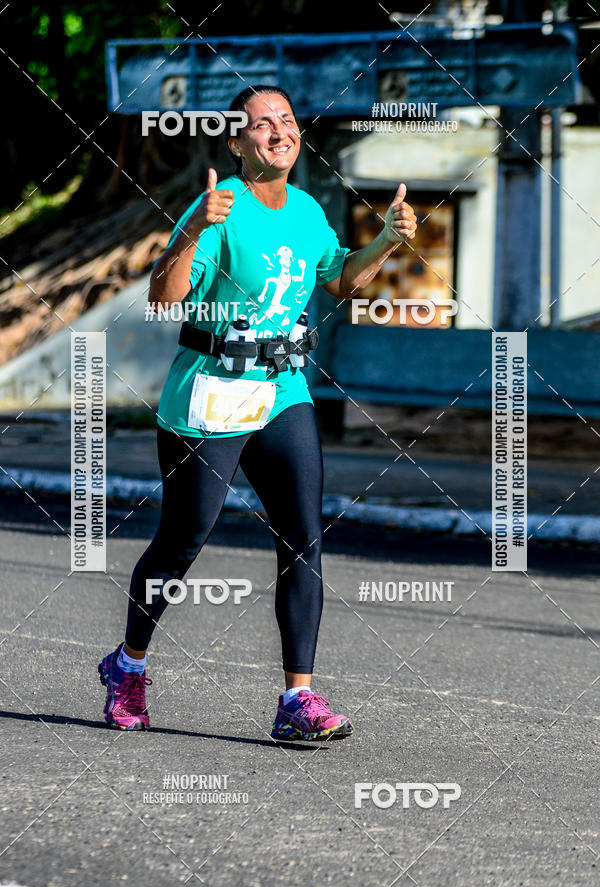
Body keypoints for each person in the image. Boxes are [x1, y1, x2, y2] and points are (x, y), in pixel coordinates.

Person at [98, 85, 418, 740]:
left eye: (288, 121)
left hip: (282, 389)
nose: (278, 132)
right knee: (184, 539)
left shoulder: (305, 211)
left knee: (303, 537)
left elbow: (339, 278)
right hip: (210, 395)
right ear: (237, 143)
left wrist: (385, 240)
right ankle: (128, 664)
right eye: (261, 124)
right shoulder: (221, 208)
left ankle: (297, 700)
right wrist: (192, 228)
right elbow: (165, 296)